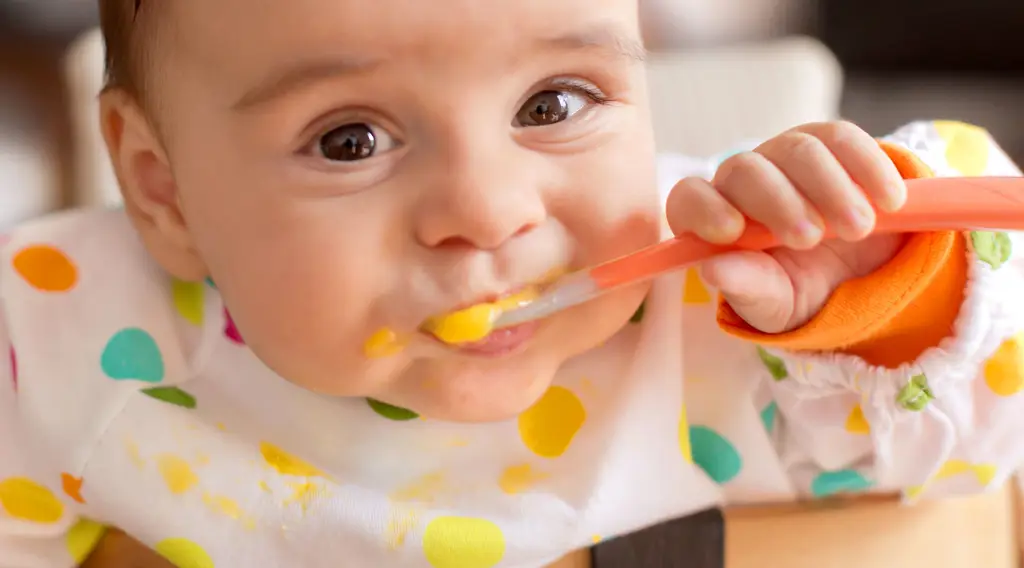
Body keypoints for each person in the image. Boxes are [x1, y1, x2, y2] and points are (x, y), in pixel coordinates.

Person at [1, 0, 1022, 567]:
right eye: (349, 138)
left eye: (555, 101)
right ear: (163, 190)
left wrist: (878, 295)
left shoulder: (735, 294)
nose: (488, 211)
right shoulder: (67, 335)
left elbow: (982, 450)